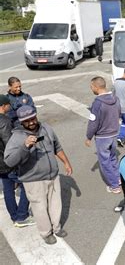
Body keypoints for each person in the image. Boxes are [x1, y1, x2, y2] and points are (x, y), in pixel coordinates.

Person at [4, 105, 73, 245]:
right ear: (21, 121)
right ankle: (46, 233)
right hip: (33, 180)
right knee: (39, 207)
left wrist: (66, 162)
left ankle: (57, 227)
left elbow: (57, 147)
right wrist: (25, 146)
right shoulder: (17, 137)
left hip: (52, 176)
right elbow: (9, 161)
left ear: (36, 115)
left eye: (32, 118)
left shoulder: (46, 128)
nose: (31, 122)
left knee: (56, 204)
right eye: (26, 121)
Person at [0, 95, 34, 228]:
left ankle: (14, 217)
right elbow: (10, 144)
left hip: (0, 164)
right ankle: (22, 216)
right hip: (8, 162)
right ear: (3, 106)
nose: (10, 106)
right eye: (8, 104)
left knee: (8, 189)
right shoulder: (5, 122)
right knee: (27, 185)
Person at [85, 76, 121, 193]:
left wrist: (88, 136)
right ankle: (117, 178)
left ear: (96, 87)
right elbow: (119, 113)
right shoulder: (115, 98)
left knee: (105, 162)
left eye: (91, 87)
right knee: (113, 158)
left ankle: (114, 186)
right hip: (114, 133)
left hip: (102, 137)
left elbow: (93, 122)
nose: (91, 89)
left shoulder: (97, 103)